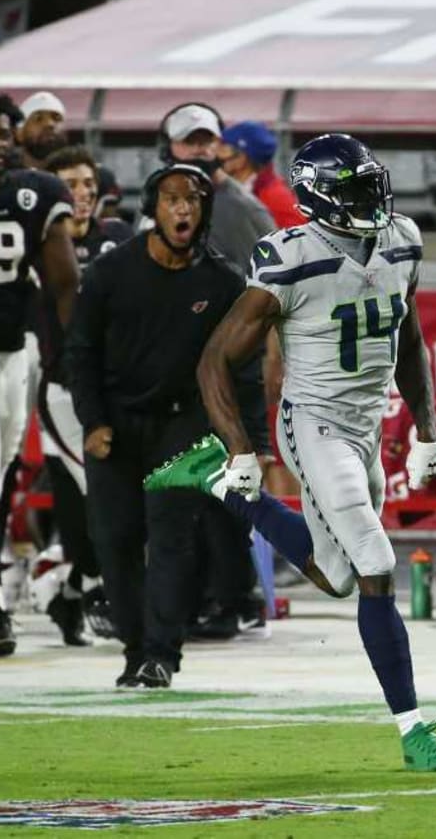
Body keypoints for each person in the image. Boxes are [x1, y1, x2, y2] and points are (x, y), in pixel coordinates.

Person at [143, 134, 436, 772]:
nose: (370, 197)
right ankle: (413, 731)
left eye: (371, 183)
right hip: (314, 425)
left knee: (337, 574)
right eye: (353, 189)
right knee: (375, 563)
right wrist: (241, 444)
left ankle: (224, 490)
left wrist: (426, 427)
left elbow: (410, 336)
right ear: (319, 198)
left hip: (368, 423)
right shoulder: (290, 257)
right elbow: (215, 358)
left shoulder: (402, 238)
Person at [64, 164, 245, 687]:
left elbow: (242, 367)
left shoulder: (223, 280)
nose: (183, 208)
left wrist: (242, 440)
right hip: (114, 425)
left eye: (193, 199)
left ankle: (162, 654)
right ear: (153, 207)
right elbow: (80, 353)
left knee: (172, 539)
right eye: (171, 199)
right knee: (114, 539)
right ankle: (134, 648)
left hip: (182, 424)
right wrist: (92, 420)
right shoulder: (109, 272)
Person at [0, 93, 79, 659]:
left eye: (4, 133)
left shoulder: (33, 193)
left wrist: (75, 352)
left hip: (14, 352)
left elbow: (64, 283)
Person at [159, 102, 276, 639]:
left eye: (208, 139)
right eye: (191, 141)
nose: (201, 148)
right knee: (188, 488)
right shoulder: (162, 201)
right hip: (183, 371)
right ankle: (206, 595)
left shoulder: (239, 208)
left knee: (229, 489)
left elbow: (278, 292)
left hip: (232, 370)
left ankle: (235, 598)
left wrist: (271, 364)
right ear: (170, 146)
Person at [37, 145, 133, 645]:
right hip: (63, 391)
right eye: (70, 186)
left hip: (115, 388)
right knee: (103, 496)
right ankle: (101, 590)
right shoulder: (34, 241)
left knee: (100, 500)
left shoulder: (118, 238)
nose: (81, 196)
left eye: (89, 187)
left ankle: (69, 589)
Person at [219, 121, 305, 229]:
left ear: (241, 157)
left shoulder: (275, 197)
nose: (218, 155)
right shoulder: (237, 188)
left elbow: (298, 241)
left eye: (224, 148)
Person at [16, 92, 69, 169]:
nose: (50, 124)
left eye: (56, 118)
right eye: (38, 119)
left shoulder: (81, 176)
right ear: (19, 133)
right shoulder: (6, 177)